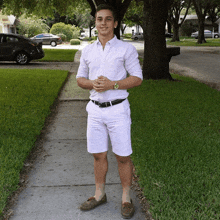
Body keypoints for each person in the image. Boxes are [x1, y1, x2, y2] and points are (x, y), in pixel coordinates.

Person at [76, 4, 143, 219]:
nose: (103, 23)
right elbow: (80, 79)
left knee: (123, 156)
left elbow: (137, 78)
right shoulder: (87, 50)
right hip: (95, 110)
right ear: (95, 23)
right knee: (98, 155)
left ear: (115, 23)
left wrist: (112, 85)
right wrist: (92, 84)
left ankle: (126, 198)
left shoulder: (126, 49)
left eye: (107, 19)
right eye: (99, 19)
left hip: (118, 110)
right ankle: (99, 194)